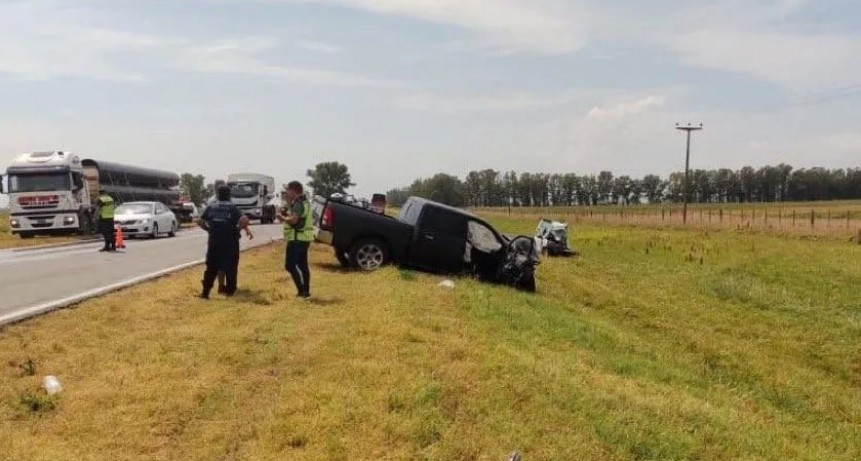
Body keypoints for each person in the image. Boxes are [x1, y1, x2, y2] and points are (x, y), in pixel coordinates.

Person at [197, 185, 251, 299]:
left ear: (217, 195)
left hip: (214, 242)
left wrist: (208, 230)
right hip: (230, 242)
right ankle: (230, 292)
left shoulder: (211, 206)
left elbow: (200, 221)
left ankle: (205, 293)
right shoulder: (232, 207)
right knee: (231, 267)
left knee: (211, 267)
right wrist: (238, 229)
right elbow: (245, 219)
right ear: (229, 195)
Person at [278, 181, 313, 299]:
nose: (287, 192)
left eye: (288, 190)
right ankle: (306, 291)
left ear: (293, 191)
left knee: (290, 266)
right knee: (303, 266)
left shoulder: (298, 204)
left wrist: (282, 217)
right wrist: (288, 205)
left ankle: (301, 291)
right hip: (304, 238)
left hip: (296, 239)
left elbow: (293, 220)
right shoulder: (306, 202)